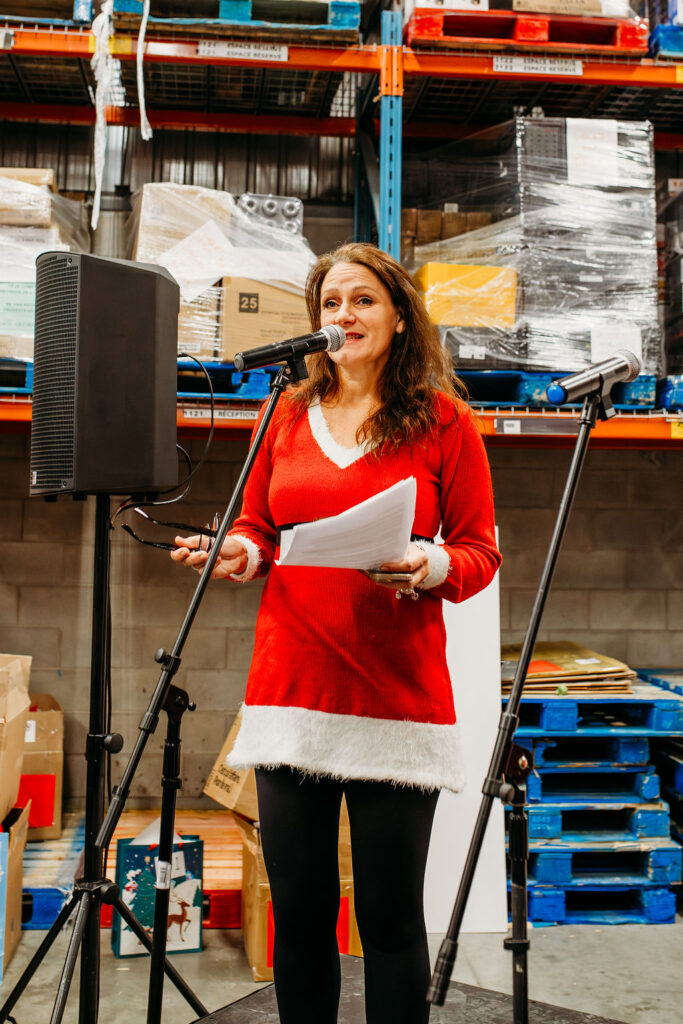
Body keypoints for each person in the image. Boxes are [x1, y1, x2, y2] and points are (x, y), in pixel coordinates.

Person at [171, 242, 502, 1023]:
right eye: (329, 303)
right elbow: (257, 526)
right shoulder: (284, 413)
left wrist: (425, 565)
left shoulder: (445, 422)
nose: (343, 316)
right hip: (292, 693)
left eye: (361, 300)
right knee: (300, 911)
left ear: (398, 317)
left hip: (394, 700)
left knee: (388, 919)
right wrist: (239, 551)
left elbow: (478, 553)